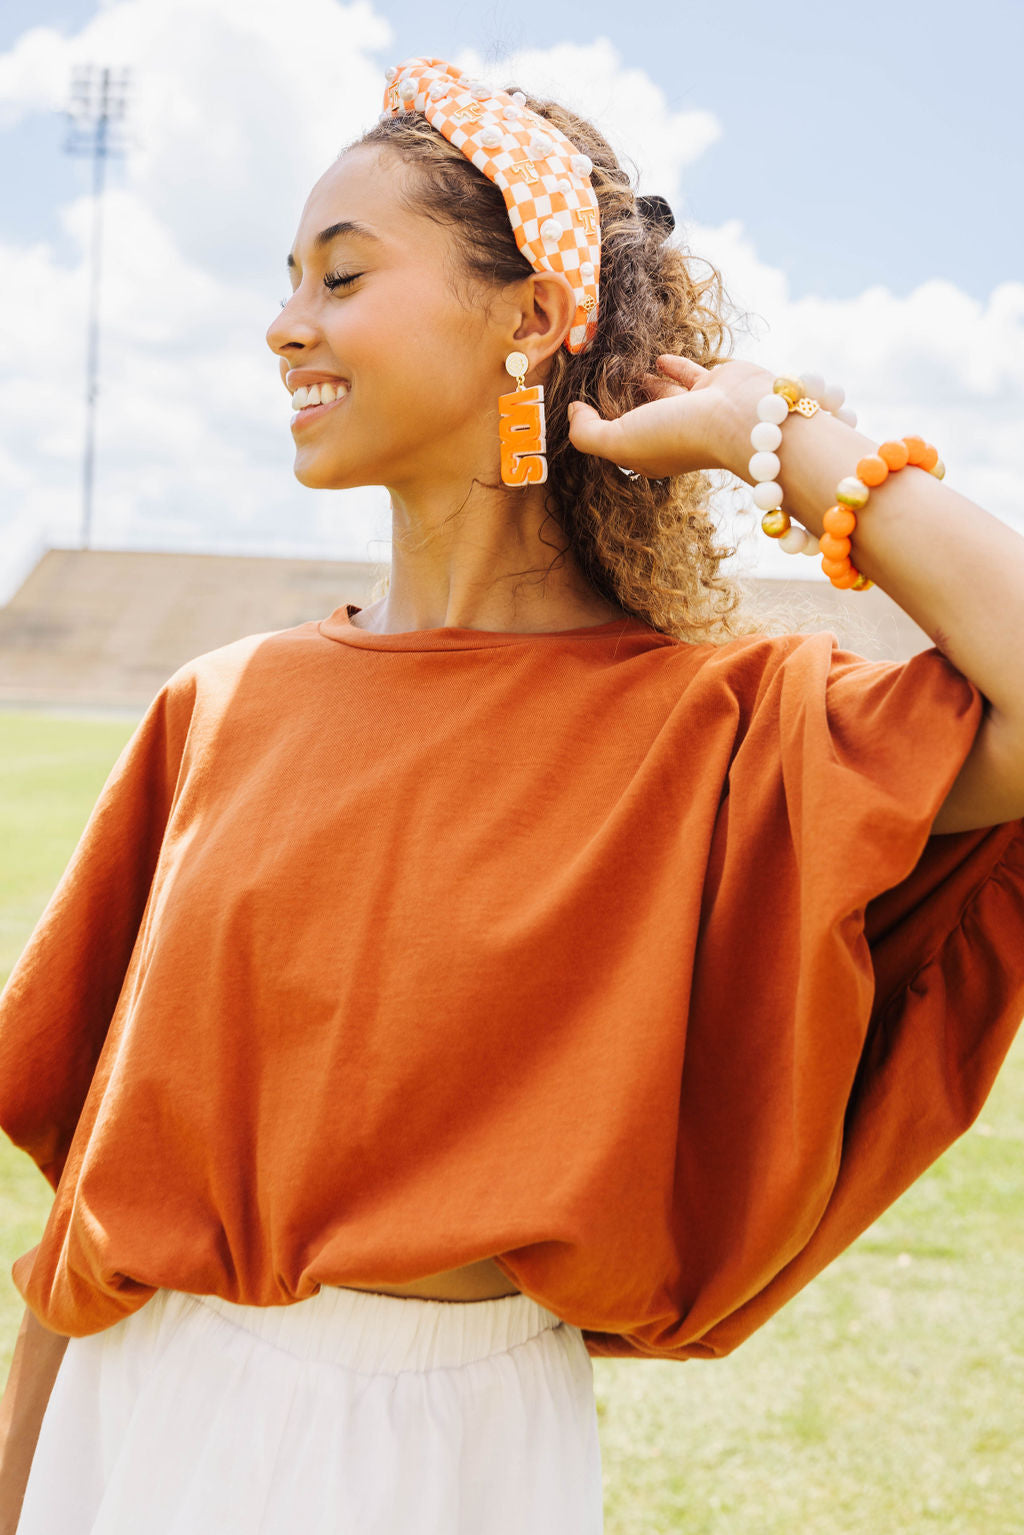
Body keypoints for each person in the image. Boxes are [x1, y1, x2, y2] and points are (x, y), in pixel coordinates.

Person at [1, 52, 1023, 1535]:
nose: (287, 323)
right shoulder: (216, 708)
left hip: (460, 1462)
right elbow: (91, 1221)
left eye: (343, 277)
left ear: (535, 317)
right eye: (289, 278)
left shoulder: (722, 731)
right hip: (136, 1420)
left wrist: (777, 432)